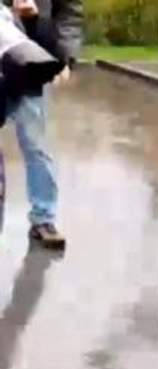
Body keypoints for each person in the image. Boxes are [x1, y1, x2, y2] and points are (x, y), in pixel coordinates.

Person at [7, 0, 80, 250]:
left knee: (36, 143)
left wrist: (65, 56)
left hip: (29, 61)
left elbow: (69, 12)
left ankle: (44, 218)